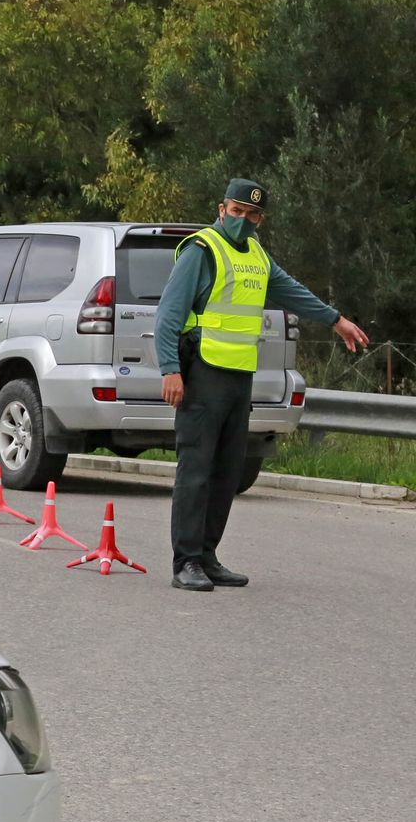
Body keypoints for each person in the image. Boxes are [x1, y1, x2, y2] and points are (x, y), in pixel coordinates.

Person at [156, 179, 369, 591]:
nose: (243, 219)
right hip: (201, 373)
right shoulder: (201, 250)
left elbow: (291, 291)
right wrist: (170, 369)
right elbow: (168, 314)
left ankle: (207, 556)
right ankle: (186, 562)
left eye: (251, 214)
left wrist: (336, 320)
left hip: (239, 378)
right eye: (236, 211)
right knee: (196, 470)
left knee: (227, 471)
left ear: (260, 220)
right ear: (221, 209)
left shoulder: (256, 255)